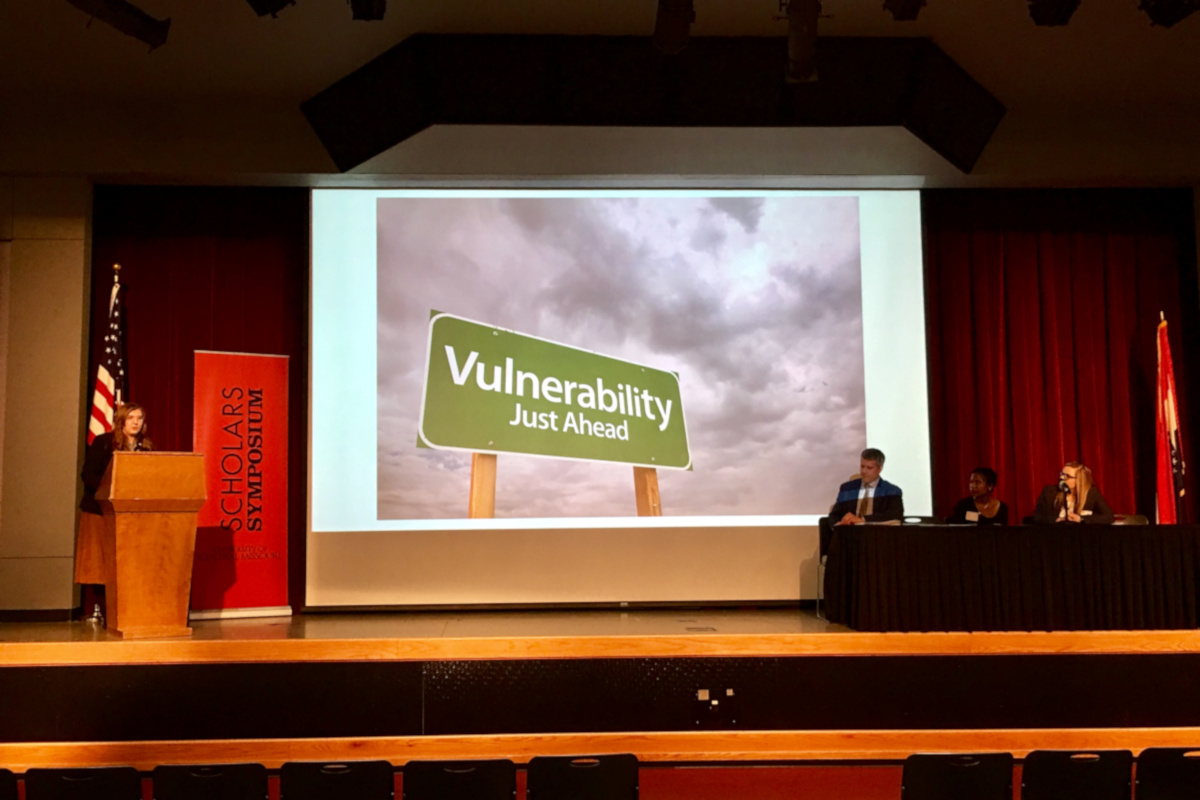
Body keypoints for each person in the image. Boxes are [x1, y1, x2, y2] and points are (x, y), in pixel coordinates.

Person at [75, 403, 153, 616]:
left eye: (139, 418)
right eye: (131, 418)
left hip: (130, 514)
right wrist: (109, 496)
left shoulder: (146, 447)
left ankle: (130, 608)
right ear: (121, 421)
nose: (136, 422)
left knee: (128, 562)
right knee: (100, 563)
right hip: (101, 511)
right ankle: (105, 609)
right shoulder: (103, 442)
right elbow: (89, 475)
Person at [829, 447, 905, 526]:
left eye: (869, 468)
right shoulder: (847, 488)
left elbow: (896, 515)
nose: (864, 471)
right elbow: (834, 515)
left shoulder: (891, 491)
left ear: (880, 469)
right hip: (849, 534)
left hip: (876, 535)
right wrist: (839, 525)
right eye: (862, 466)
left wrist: (863, 520)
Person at [1032, 461, 1114, 524]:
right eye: (1062, 474)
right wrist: (1057, 520)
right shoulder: (1049, 491)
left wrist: (1081, 519)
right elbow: (1037, 517)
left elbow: (1108, 517)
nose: (1061, 478)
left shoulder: (1091, 493)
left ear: (1078, 480)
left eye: (1067, 476)